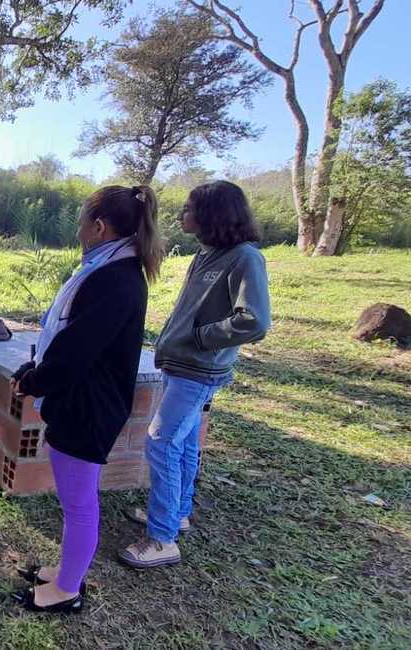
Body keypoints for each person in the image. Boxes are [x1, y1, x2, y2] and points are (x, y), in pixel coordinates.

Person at [10, 185, 164, 614]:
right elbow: (68, 339)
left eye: (81, 221)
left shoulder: (114, 278)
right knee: (74, 501)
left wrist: (34, 382)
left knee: (79, 504)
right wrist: (35, 370)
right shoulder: (114, 270)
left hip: (89, 407)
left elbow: (76, 349)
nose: (78, 229)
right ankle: (66, 572)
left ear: (98, 227)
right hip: (84, 401)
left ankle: (67, 590)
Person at [119, 180, 270, 569]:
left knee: (162, 444)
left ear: (212, 214)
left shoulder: (244, 258)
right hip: (179, 363)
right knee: (183, 445)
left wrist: (202, 338)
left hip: (199, 369)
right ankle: (177, 513)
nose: (182, 214)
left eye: (188, 208)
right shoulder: (206, 255)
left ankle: (162, 539)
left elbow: (254, 321)